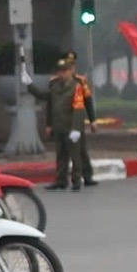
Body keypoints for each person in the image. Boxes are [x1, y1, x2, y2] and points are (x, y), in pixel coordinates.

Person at [34, 50, 96, 192]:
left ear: (73, 67)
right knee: (62, 153)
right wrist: (49, 124)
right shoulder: (55, 83)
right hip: (60, 124)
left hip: (75, 123)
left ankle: (84, 176)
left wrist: (92, 120)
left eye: (70, 66)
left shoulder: (80, 82)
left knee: (80, 152)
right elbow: (50, 104)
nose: (65, 71)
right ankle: (62, 180)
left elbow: (86, 102)